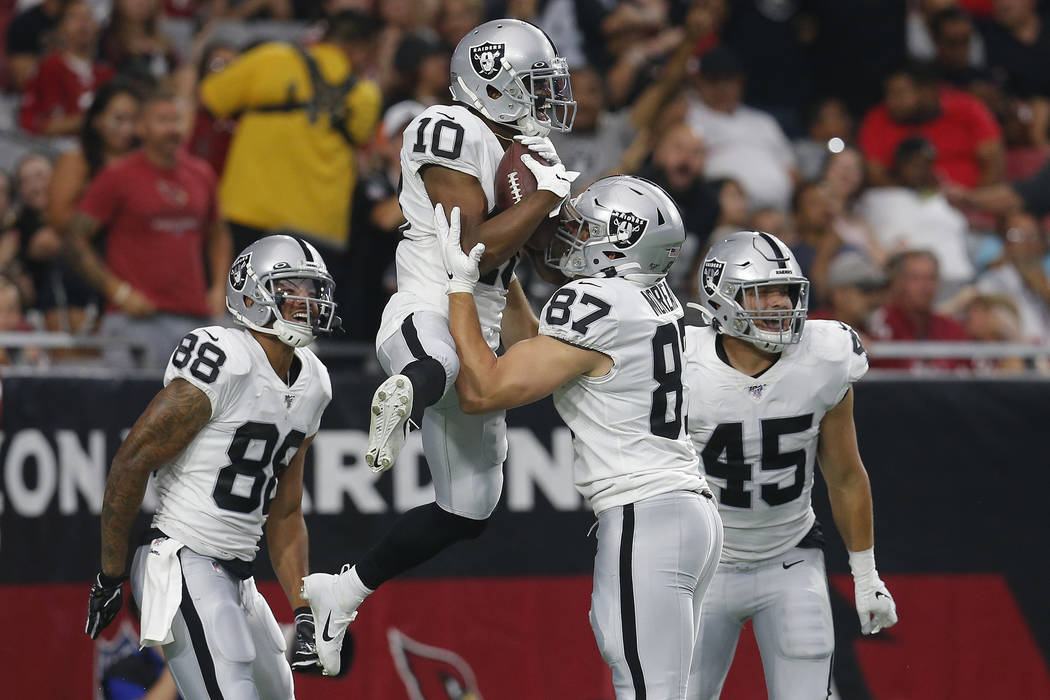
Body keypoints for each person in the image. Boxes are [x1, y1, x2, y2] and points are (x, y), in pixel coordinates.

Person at [300, 18, 579, 677]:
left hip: (480, 323)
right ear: (491, 83)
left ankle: (344, 591)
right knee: (439, 363)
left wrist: (532, 327)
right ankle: (407, 390)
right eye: (533, 86)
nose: (545, 101)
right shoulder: (446, 128)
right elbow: (475, 252)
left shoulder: (521, 147)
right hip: (427, 302)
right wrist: (546, 194)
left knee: (470, 508)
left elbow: (512, 273)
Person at [441, 176, 723, 699]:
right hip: (680, 510)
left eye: (584, 228)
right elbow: (538, 351)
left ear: (619, 241)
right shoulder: (646, 299)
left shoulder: (595, 300)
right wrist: (500, 278)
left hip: (646, 511)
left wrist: (460, 288)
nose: (569, 237)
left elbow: (483, 390)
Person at [85, 234, 339, 697]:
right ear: (254, 292)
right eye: (294, 288)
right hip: (183, 558)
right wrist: (111, 573)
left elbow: (284, 512)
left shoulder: (314, 383)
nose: (310, 301)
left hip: (239, 575)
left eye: (313, 289)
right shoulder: (225, 359)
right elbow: (131, 461)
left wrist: (303, 610)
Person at [684, 230, 898, 700]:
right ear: (723, 297)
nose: (781, 303)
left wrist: (866, 574)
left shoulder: (825, 357)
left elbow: (844, 475)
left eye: (787, 291)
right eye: (764, 292)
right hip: (700, 566)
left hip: (790, 556)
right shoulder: (681, 362)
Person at [64, 90, 232, 369]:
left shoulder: (201, 173)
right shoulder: (118, 176)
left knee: (200, 410)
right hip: (135, 320)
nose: (172, 129)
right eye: (162, 120)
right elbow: (74, 238)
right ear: (141, 127)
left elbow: (218, 232)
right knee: (134, 410)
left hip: (195, 319)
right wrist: (118, 291)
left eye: (176, 120)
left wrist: (219, 287)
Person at [199, 9, 382, 258]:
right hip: (317, 226)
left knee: (240, 293)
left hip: (247, 210)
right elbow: (361, 140)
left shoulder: (271, 58)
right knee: (302, 298)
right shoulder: (365, 95)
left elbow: (210, 96)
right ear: (359, 48)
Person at [858, 61, 1003, 188]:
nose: (891, 102)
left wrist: (971, 203)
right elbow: (876, 175)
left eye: (899, 93)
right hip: (907, 206)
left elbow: (994, 163)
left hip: (971, 204)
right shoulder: (878, 118)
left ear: (927, 91)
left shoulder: (967, 108)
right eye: (889, 94)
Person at [18, 0, 115, 137]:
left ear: (97, 27)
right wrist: (91, 120)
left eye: (89, 17)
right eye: (74, 17)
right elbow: (35, 124)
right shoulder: (49, 68)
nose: (83, 23)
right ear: (60, 27)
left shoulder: (106, 73)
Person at [868, 249, 972, 369]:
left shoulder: (952, 329)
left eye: (931, 278)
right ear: (899, 283)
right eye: (915, 279)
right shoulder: (879, 324)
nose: (925, 287)